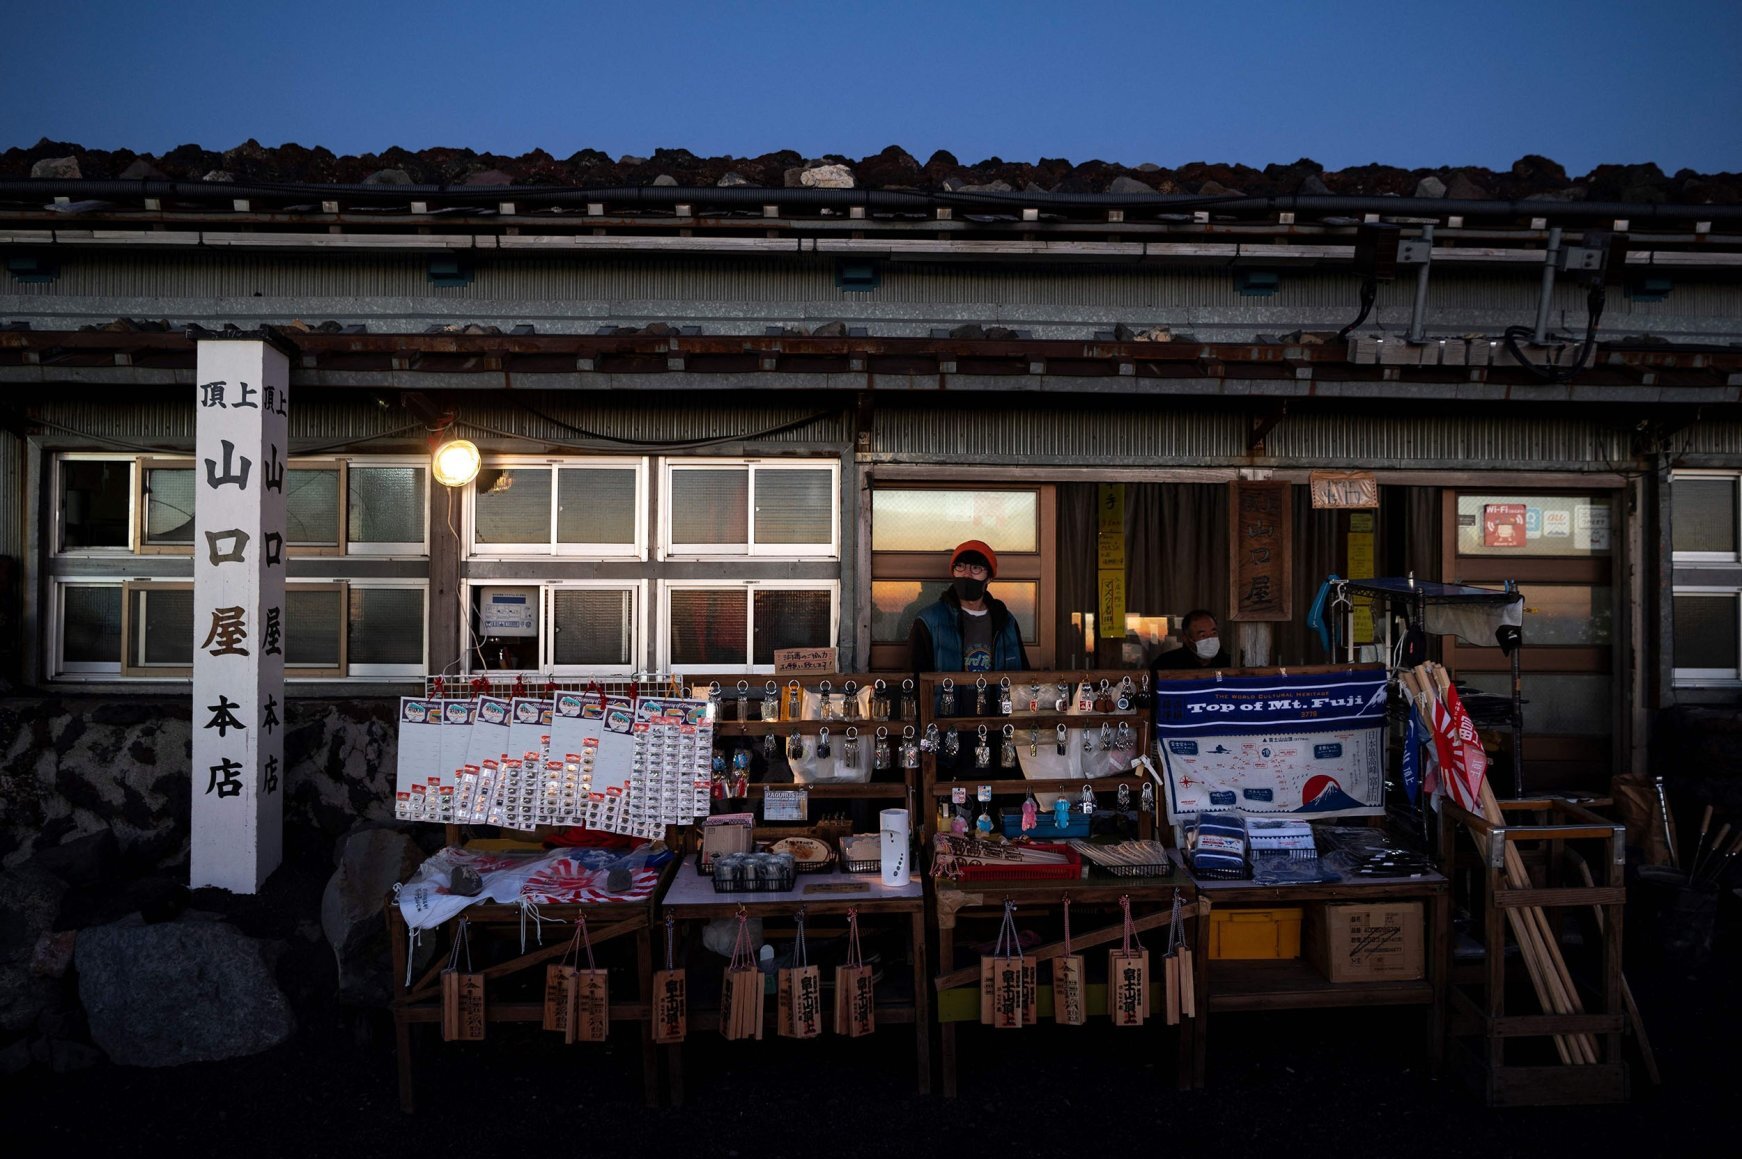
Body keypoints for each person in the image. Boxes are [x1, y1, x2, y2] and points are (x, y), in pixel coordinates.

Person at [908, 540, 1028, 672]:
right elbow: (916, 680)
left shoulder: (1006, 621)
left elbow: (1022, 677)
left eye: (976, 568)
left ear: (989, 578)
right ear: (953, 572)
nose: (966, 574)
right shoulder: (928, 621)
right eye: (960, 566)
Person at [1153, 608, 1232, 669]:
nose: (1210, 639)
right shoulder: (1166, 664)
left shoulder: (1229, 663)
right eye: (1203, 635)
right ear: (1186, 639)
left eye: (1213, 633)